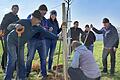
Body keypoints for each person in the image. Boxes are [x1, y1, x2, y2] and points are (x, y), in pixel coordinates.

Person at [3, 10, 58, 80]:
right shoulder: (24, 21)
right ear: (34, 19)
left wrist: (57, 37)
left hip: (21, 43)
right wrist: (16, 25)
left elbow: (46, 33)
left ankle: (22, 77)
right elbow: (9, 26)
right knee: (13, 58)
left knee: (21, 61)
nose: (40, 22)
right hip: (12, 40)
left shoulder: (38, 27)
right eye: (39, 20)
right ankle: (7, 78)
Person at [25, 4, 49, 79]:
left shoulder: (45, 20)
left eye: (45, 12)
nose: (44, 13)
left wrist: (47, 29)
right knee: (30, 58)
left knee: (43, 58)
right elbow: (30, 25)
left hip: (42, 40)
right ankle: (26, 73)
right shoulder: (31, 16)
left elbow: (45, 29)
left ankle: (44, 74)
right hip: (32, 40)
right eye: (43, 12)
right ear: (39, 10)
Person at [0, 5, 19, 71]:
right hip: (7, 35)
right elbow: (2, 25)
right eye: (15, 8)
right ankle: (3, 65)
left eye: (17, 9)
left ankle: (12, 66)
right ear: (12, 9)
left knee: (14, 51)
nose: (16, 10)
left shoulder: (17, 17)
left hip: (15, 37)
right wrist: (1, 32)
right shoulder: (7, 15)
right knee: (6, 50)